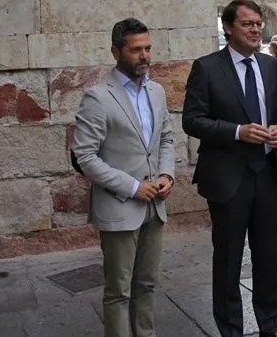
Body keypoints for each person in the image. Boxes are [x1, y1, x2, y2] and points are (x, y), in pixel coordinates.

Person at [183, 0, 277, 337]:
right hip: (228, 179)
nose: (256, 29)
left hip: (268, 177)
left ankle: (271, 327)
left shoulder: (271, 66)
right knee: (228, 262)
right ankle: (231, 330)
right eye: (247, 24)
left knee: (268, 260)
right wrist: (236, 132)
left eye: (258, 23)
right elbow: (192, 120)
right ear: (228, 28)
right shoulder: (207, 67)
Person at [72, 18, 175, 337]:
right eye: (135, 50)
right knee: (118, 291)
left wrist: (166, 174)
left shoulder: (156, 91)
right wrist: (132, 187)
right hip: (119, 209)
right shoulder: (98, 97)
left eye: (147, 48)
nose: (144, 56)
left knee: (147, 284)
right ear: (116, 51)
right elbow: (85, 157)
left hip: (155, 207)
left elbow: (167, 139)